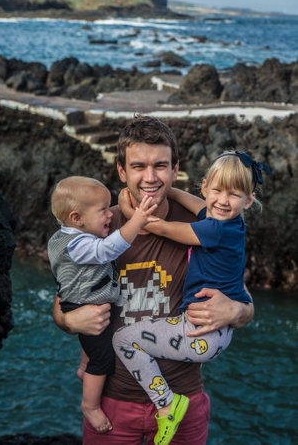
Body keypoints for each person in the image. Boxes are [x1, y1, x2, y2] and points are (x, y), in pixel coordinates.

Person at [52, 116, 255, 445]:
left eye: (160, 166)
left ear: (175, 170)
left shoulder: (204, 226)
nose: (149, 177)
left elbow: (244, 303)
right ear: (122, 171)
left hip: (184, 399)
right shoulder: (101, 229)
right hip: (112, 404)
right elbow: (62, 303)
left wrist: (234, 312)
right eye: (138, 166)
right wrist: (69, 318)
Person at [113, 149, 270, 445]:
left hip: (201, 332)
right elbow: (199, 205)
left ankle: (166, 404)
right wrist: (169, 189)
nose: (223, 200)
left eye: (234, 194)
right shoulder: (229, 222)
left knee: (123, 339)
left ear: (249, 201)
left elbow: (156, 226)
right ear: (204, 188)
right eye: (217, 190)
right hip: (216, 333)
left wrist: (127, 203)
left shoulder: (214, 229)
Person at [48, 176, 158, 433]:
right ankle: (90, 405)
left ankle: (84, 368)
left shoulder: (61, 238)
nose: (110, 214)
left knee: (92, 347)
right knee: (104, 358)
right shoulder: (80, 244)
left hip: (77, 302)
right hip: (84, 307)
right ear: (77, 219)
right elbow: (108, 250)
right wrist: (137, 221)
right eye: (103, 211)